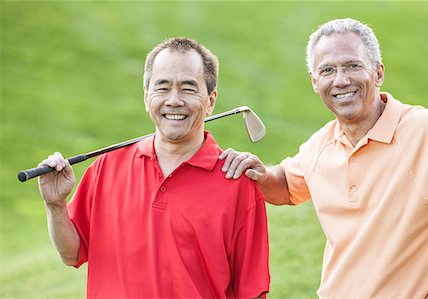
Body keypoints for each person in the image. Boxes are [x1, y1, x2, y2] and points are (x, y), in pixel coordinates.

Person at [220, 18, 428, 298]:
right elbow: (286, 187)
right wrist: (259, 173)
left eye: (353, 66)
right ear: (316, 82)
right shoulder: (320, 146)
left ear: (378, 73)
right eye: (327, 70)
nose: (341, 80)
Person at [38, 37, 270, 298]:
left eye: (188, 88)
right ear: (147, 97)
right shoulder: (106, 168)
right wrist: (55, 205)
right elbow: (71, 253)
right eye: (162, 87)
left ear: (211, 100)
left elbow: (251, 291)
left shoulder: (237, 182)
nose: (174, 100)